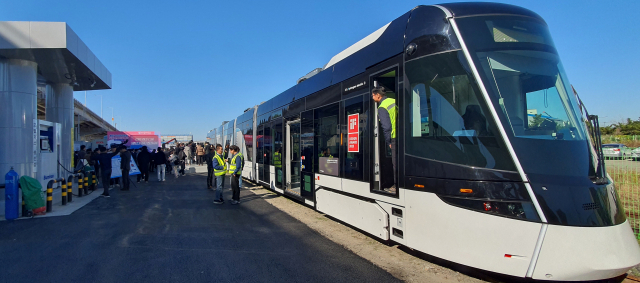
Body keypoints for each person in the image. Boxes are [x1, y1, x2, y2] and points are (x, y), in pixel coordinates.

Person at [372, 85, 397, 193]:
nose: (372, 97)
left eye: (373, 95)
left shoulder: (382, 107)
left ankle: (396, 186)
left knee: (395, 164)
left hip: (394, 137)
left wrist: (388, 142)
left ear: (378, 95)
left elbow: (386, 127)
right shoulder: (394, 100)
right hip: (401, 136)